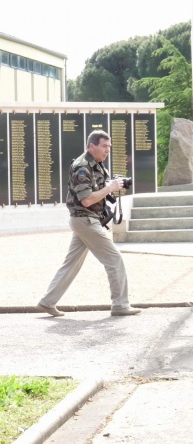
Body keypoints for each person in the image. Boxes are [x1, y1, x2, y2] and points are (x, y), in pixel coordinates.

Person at [36, 130, 141, 317]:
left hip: (85, 219)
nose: (108, 150)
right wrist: (110, 187)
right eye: (104, 146)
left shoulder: (96, 165)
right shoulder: (82, 167)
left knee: (71, 264)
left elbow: (96, 190)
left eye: (109, 146)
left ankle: (47, 302)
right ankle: (120, 305)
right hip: (85, 219)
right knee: (114, 259)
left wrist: (112, 185)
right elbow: (86, 200)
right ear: (92, 146)